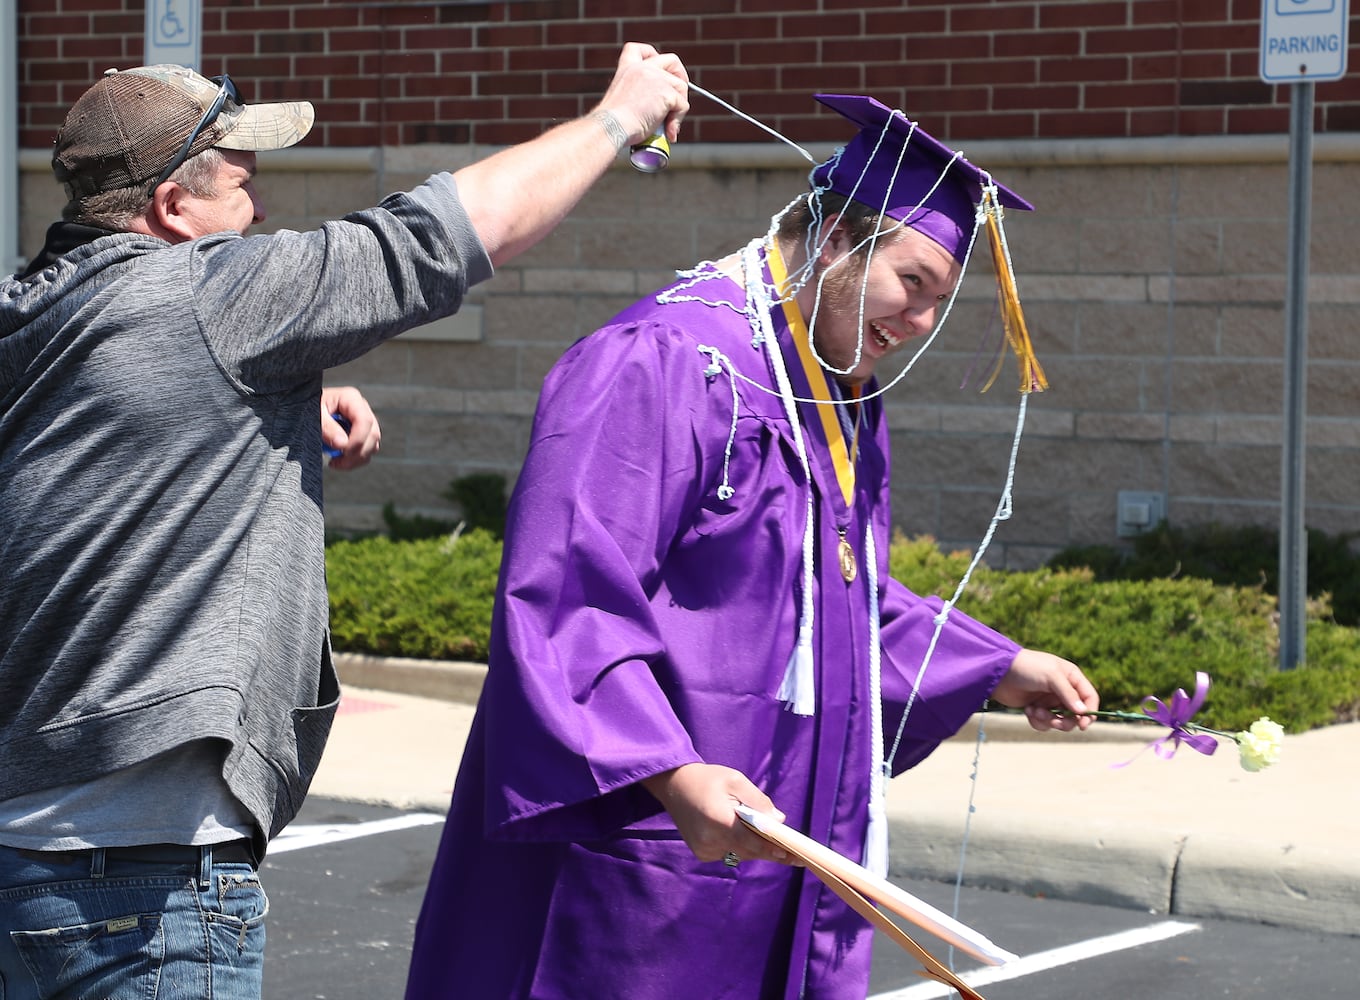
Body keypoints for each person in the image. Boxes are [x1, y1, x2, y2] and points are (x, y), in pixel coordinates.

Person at [0, 47, 689, 1000]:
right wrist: (618, 117)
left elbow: (108, 446)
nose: (262, 211)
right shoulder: (215, 293)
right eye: (245, 186)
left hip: (21, 864)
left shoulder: (33, 316)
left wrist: (267, 403)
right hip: (148, 884)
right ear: (171, 210)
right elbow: (450, 230)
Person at [403, 93, 1101, 1000]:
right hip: (644, 841)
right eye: (913, 281)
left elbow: (836, 606)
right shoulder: (663, 360)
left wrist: (997, 666)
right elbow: (570, 593)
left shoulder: (834, 394)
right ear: (836, 239)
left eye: (941, 298)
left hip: (771, 837)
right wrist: (667, 769)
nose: (923, 321)